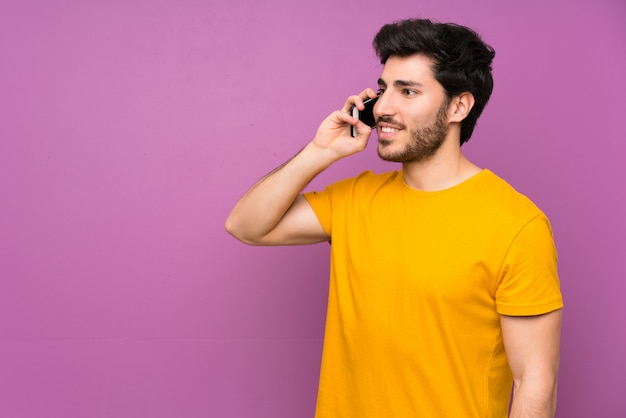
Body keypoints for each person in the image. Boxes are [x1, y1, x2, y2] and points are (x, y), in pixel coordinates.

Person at [225, 18, 563, 418]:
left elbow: (535, 383)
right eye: (384, 89)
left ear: (459, 106)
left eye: (408, 91)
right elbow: (244, 225)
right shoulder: (353, 199)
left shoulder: (517, 226)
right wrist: (321, 151)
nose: (383, 107)